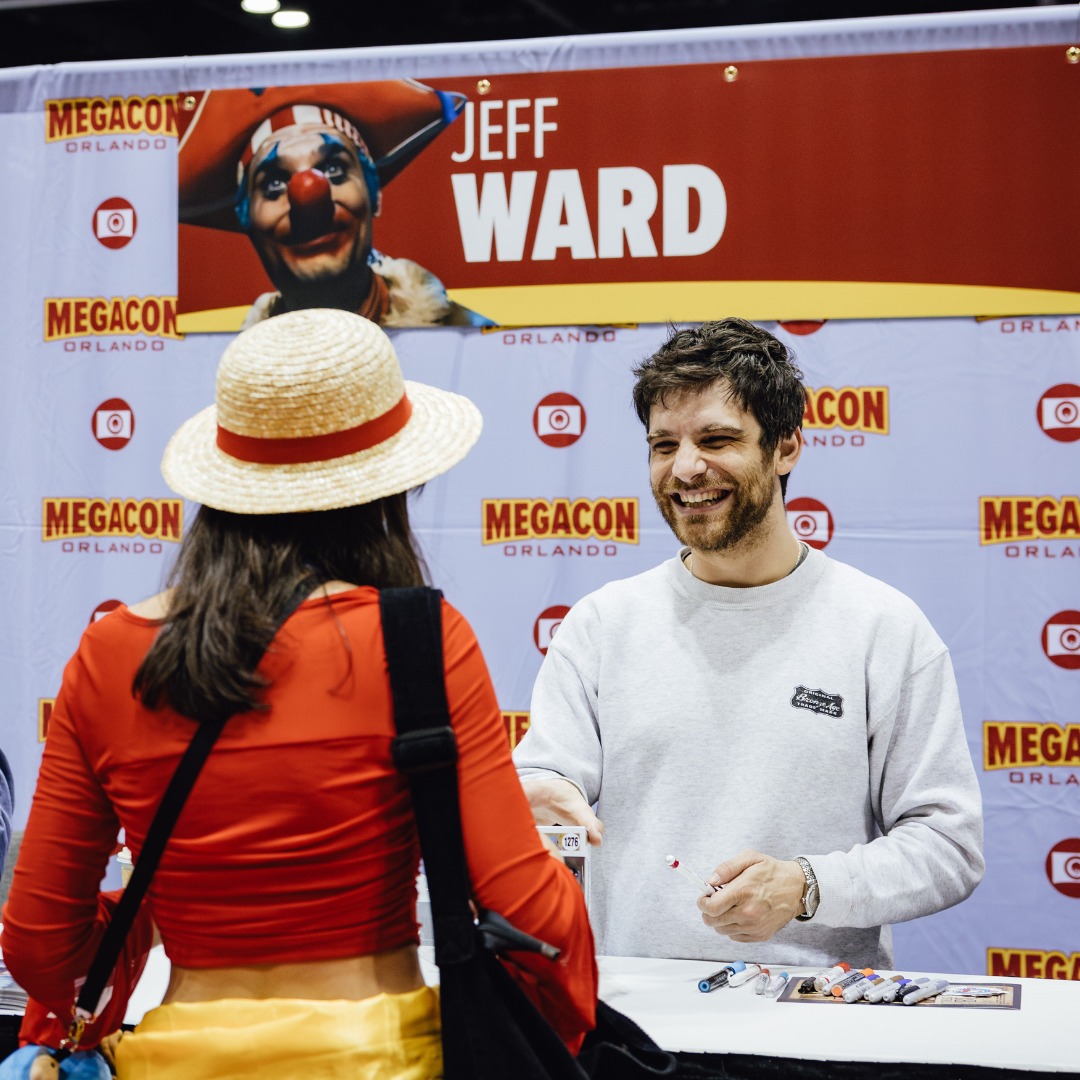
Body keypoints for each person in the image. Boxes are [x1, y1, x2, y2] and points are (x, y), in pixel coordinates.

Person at [1, 309, 595, 1078]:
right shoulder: (420, 637)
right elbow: (534, 918)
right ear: (391, 482)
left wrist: (163, 898)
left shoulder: (109, 652)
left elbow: (42, 949)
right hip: (380, 1061)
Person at [514, 317, 984, 970]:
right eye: (663, 445)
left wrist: (809, 886)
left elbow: (949, 846)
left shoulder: (883, 627)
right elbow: (544, 782)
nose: (685, 468)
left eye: (716, 439)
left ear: (786, 447)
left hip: (820, 1018)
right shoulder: (601, 624)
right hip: (634, 1013)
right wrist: (535, 798)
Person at [179, 82, 492, 329]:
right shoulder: (227, 374)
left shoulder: (468, 339)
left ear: (374, 194)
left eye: (333, 169)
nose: (308, 198)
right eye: (274, 183)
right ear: (245, 215)